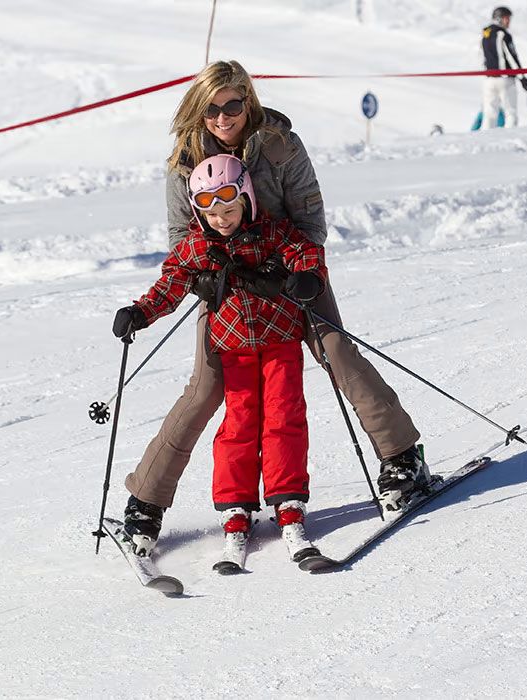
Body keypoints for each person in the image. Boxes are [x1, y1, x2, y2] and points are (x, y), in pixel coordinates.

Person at [121, 60, 423, 554]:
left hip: (291, 271)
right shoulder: (183, 161)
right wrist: (210, 276)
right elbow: (181, 240)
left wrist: (298, 273)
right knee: (206, 386)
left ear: (248, 100)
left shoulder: (280, 144)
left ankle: (403, 457)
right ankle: (146, 501)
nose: (224, 117)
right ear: (199, 109)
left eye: (233, 105)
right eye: (212, 108)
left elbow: (310, 216)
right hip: (228, 286)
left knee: (336, 354)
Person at [114, 154, 328, 556]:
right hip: (233, 349)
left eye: (229, 209)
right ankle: (235, 505)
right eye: (212, 213)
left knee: (284, 415)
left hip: (281, 339)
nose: (222, 220)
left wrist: (307, 277)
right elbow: (171, 283)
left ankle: (288, 499)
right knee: (239, 423)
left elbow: (305, 251)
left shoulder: (272, 232)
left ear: (245, 199)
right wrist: (140, 312)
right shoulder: (198, 246)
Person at [481, 7, 527, 129]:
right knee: (510, 112)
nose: (508, 22)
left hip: (489, 80)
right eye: (506, 18)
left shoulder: (485, 34)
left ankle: (485, 139)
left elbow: (481, 56)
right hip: (505, 79)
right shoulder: (503, 34)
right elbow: (512, 57)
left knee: (490, 113)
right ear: (499, 19)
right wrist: (522, 76)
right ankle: (510, 138)